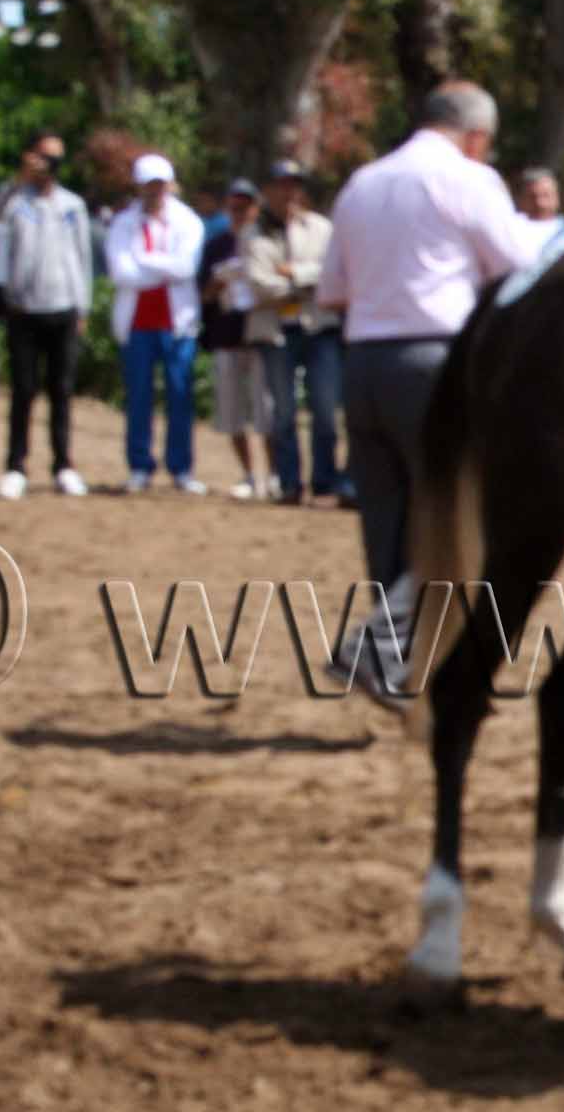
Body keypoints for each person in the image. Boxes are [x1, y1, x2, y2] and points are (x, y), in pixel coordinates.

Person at [316, 80, 538, 698]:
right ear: (477, 137)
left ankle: (397, 666)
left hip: (362, 362)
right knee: (467, 514)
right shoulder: (469, 180)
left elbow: (331, 288)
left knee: (388, 524)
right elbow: (520, 267)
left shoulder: (362, 182)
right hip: (435, 363)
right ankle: (378, 647)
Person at [0, 130, 94, 498]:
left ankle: (63, 464)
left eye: (56, 159)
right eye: (44, 157)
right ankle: (15, 465)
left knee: (61, 390)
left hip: (63, 307)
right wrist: (18, 181)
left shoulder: (72, 206)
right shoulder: (17, 202)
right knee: (23, 389)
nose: (50, 165)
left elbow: (83, 258)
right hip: (24, 309)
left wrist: (83, 306)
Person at [105, 153, 208, 494]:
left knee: (180, 393)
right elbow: (122, 273)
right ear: (139, 187)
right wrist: (163, 267)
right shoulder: (123, 223)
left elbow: (185, 269)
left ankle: (180, 468)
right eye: (149, 185)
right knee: (139, 396)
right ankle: (139, 465)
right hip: (137, 323)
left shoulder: (188, 221)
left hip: (177, 322)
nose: (155, 191)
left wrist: (145, 262)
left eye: (160, 185)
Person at [244, 161, 342, 505]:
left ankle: (325, 483)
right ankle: (289, 483)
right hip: (275, 331)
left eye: (293, 185)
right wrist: (303, 283)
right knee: (283, 413)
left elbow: (331, 272)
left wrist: (293, 274)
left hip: (318, 328)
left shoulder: (321, 229)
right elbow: (259, 285)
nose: (288, 192)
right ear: (267, 190)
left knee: (326, 411)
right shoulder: (252, 234)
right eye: (280, 184)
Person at [200, 179, 278, 500]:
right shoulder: (215, 246)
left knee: (267, 414)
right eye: (234, 207)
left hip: (260, 337)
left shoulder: (268, 242)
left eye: (246, 207)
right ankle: (248, 475)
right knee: (232, 412)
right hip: (227, 337)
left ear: (256, 209)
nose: (240, 213)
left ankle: (273, 476)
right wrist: (218, 284)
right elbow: (201, 295)